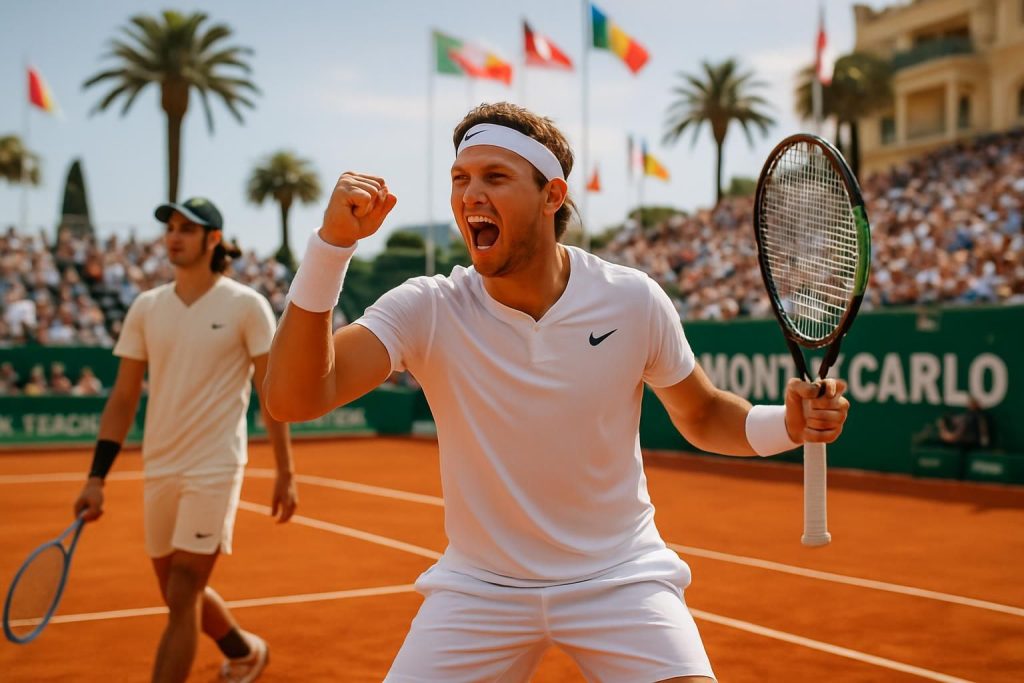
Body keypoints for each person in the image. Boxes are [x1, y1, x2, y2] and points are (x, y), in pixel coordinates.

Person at [265, 103, 850, 682]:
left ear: (552, 196)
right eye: (460, 179)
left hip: (620, 577)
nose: (470, 194)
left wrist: (789, 426)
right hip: (479, 589)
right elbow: (293, 398)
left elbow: (702, 413)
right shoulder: (428, 306)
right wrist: (330, 247)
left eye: (495, 177)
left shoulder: (633, 299)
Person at [73, 197, 298, 683]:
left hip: (216, 465)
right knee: (176, 592)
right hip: (160, 466)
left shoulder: (247, 304)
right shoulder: (146, 307)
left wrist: (285, 471)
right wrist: (96, 478)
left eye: (186, 229)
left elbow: (271, 394)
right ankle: (245, 651)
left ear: (212, 239)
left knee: (184, 586)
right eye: (170, 228)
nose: (173, 236)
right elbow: (123, 397)